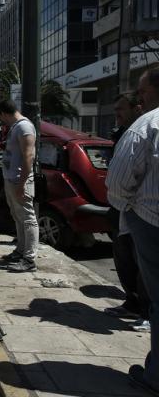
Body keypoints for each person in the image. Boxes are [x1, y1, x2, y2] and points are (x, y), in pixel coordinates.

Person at [106, 67, 159, 395]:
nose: (140, 101)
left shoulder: (148, 125)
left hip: (151, 220)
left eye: (142, 94)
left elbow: (118, 182)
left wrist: (127, 208)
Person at [104, 92, 150, 333]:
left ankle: (147, 311)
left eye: (121, 109)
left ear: (137, 108)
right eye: (115, 110)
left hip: (140, 210)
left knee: (144, 264)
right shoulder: (120, 134)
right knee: (124, 258)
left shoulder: (143, 132)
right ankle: (131, 303)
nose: (117, 115)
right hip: (120, 209)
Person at [0, 99, 39, 272]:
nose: (1, 120)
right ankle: (21, 250)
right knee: (18, 215)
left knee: (28, 218)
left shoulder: (24, 127)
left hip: (20, 181)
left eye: (0, 117)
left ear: (4, 113)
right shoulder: (16, 127)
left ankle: (29, 259)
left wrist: (21, 183)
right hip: (12, 179)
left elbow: (29, 156)